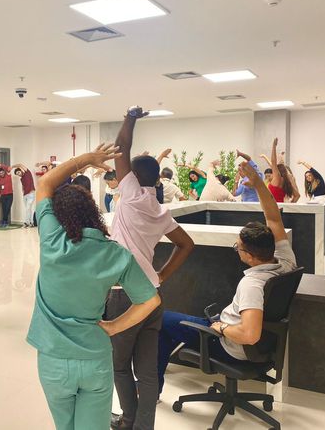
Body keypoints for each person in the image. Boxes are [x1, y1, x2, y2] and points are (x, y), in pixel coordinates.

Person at [26, 143, 162, 430]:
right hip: (95, 358)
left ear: (57, 217)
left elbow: (45, 183)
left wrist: (86, 159)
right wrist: (113, 327)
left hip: (53, 359)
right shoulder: (115, 254)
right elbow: (150, 301)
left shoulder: (52, 241)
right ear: (93, 212)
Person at [158, 159, 298, 396]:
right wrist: (258, 184)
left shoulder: (253, 285)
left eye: (238, 247)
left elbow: (249, 335)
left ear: (250, 256)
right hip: (248, 338)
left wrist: (220, 327)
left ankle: (150, 391)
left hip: (228, 343)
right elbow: (274, 218)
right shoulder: (286, 261)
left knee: (160, 321)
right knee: (176, 324)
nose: (237, 249)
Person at [108, 107, 195, 430]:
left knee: (119, 366)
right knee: (146, 371)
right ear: (157, 179)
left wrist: (129, 118)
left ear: (131, 177)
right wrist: (162, 275)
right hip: (152, 295)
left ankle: (128, 420)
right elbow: (186, 244)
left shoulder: (129, 195)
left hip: (124, 295)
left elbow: (121, 147)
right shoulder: (160, 210)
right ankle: (143, 426)